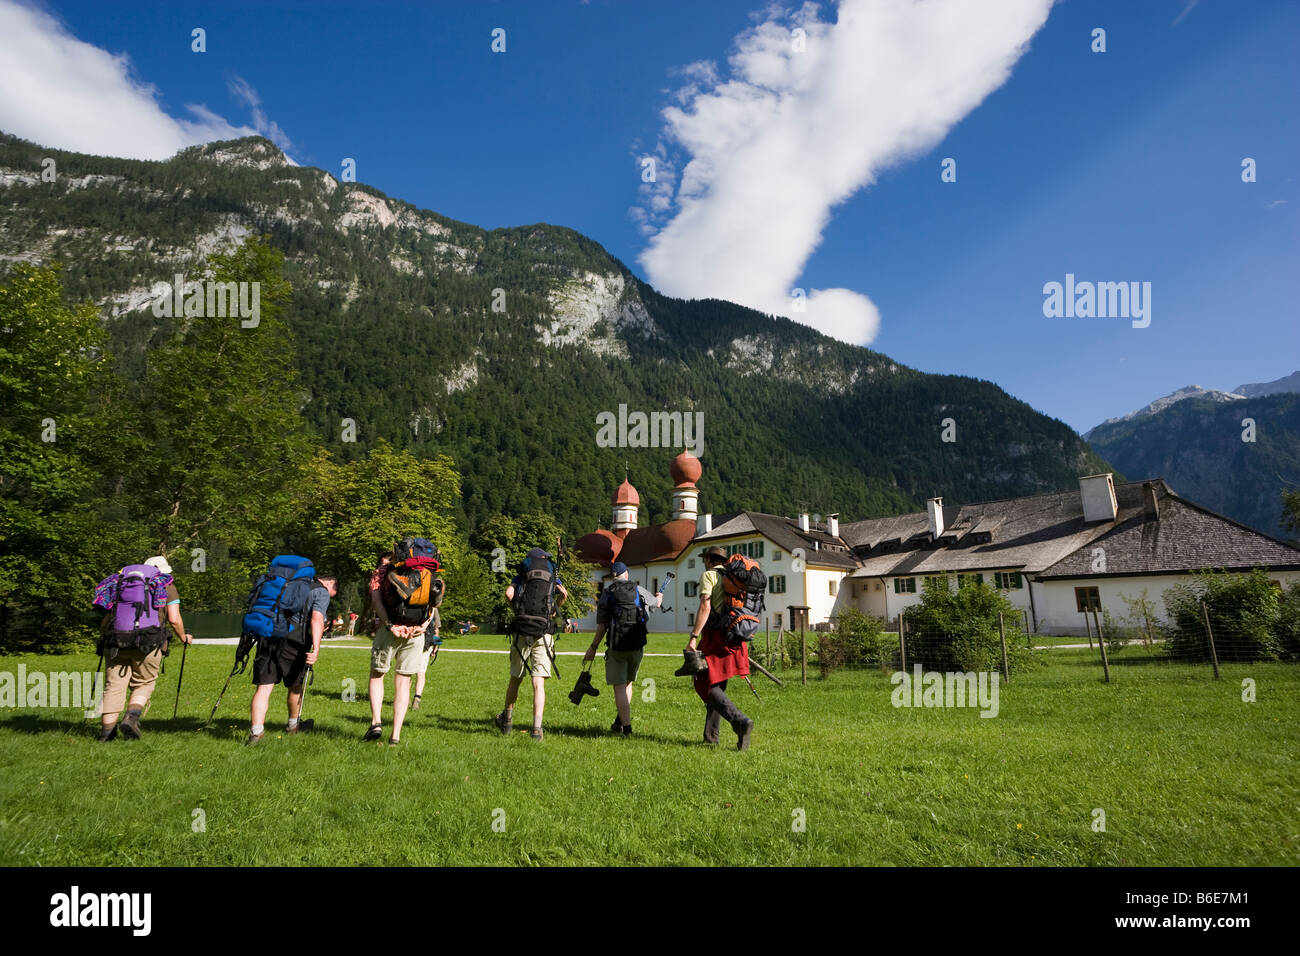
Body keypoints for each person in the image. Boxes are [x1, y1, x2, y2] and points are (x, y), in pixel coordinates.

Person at [96, 556, 192, 742]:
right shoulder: (166, 585)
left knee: (114, 685)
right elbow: (173, 618)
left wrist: (103, 636)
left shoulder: (122, 583)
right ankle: (131, 718)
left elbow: (108, 616)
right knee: (144, 682)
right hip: (148, 641)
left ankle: (106, 734)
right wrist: (183, 637)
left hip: (116, 640)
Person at [246, 570, 337, 746]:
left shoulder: (285, 584)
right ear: (330, 583)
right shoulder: (321, 591)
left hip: (268, 634)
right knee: (295, 685)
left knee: (264, 688)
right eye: (333, 594)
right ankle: (293, 725)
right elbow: (317, 619)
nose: (330, 597)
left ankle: (256, 732)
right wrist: (316, 648)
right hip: (293, 641)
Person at [364, 541, 441, 745]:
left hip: (390, 629)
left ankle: (376, 722)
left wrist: (390, 625)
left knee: (377, 674)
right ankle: (395, 735)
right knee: (404, 681)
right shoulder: (427, 571)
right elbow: (433, 602)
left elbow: (376, 601)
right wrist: (424, 625)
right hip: (415, 632)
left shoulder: (382, 571)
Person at [682, 545, 754, 750]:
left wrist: (694, 636)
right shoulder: (734, 577)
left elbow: (705, 605)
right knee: (718, 683)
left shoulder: (709, 576)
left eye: (705, 559)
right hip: (736, 636)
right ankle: (711, 737)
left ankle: (740, 721)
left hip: (716, 637)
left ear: (709, 560)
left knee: (703, 682)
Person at [494, 547, 568, 741]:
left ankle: (507, 720)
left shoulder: (522, 574)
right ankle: (537, 728)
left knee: (515, 678)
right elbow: (564, 594)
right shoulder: (551, 574)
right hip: (543, 631)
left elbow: (508, 594)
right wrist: (552, 611)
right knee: (538, 682)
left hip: (522, 629)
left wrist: (517, 611)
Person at [583, 562, 661, 735]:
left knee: (619, 686)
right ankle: (620, 722)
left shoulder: (607, 593)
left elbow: (602, 625)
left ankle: (626, 728)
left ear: (613, 576)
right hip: (637, 644)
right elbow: (656, 604)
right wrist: (659, 596)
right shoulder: (638, 590)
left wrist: (593, 647)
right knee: (628, 683)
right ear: (626, 574)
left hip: (616, 645)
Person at [412, 577, 446, 711]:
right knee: (421, 672)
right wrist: (436, 648)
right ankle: (417, 698)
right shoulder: (434, 607)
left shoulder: (415, 599)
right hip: (427, 641)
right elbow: (436, 630)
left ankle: (403, 697)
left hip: (412, 637)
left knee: (407, 672)